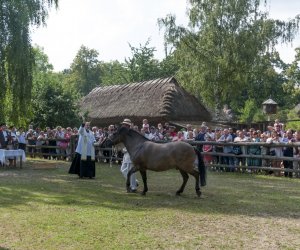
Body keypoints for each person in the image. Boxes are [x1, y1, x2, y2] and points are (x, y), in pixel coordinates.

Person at [119, 118, 138, 192]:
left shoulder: (132, 133)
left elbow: (134, 144)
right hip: (125, 155)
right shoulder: (124, 133)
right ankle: (135, 182)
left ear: (127, 126)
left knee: (131, 172)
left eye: (124, 125)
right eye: (123, 124)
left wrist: (124, 149)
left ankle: (133, 187)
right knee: (122, 170)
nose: (123, 125)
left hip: (131, 154)